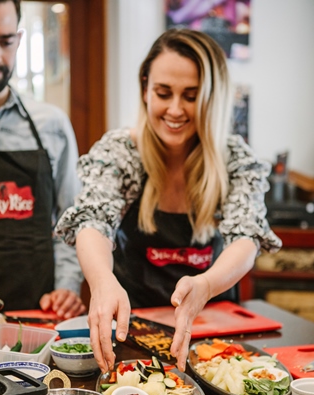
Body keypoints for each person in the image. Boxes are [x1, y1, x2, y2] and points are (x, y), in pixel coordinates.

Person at [56, 28, 282, 372]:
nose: (175, 109)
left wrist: (205, 284)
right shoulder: (121, 152)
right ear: (145, 87)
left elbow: (247, 237)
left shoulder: (235, 159)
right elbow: (92, 218)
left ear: (213, 97)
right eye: (164, 93)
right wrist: (101, 281)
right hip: (132, 334)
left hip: (213, 339)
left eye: (191, 96)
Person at [0, 0, 86, 318]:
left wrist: (67, 287)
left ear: (19, 41)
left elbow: (71, 219)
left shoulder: (51, 125)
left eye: (6, 41)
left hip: (38, 316)